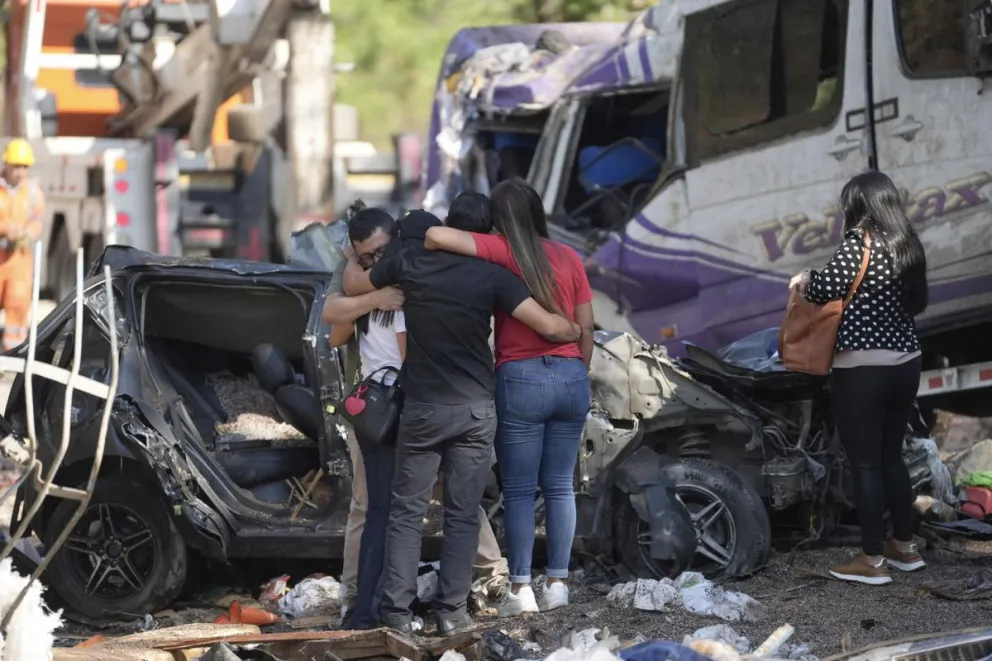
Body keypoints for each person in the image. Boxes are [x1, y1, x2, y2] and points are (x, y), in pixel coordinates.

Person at [344, 198, 580, 636]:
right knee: (462, 512)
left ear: (450, 226)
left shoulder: (410, 265)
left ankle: (396, 614)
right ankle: (452, 612)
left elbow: (356, 284)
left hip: (424, 409)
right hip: (475, 410)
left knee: (406, 513)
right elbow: (548, 326)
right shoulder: (494, 276)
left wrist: (351, 259)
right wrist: (575, 331)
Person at [424, 178, 594, 615]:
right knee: (560, 487)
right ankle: (558, 583)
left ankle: (521, 590)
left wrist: (484, 237)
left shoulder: (501, 250)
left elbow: (436, 235)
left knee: (519, 491)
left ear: (498, 220)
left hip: (519, 378)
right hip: (572, 375)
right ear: (538, 212)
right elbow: (587, 327)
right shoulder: (570, 256)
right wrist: (578, 370)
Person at [790, 171, 928, 586]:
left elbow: (823, 289)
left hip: (864, 367)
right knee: (891, 458)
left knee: (864, 463)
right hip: (907, 362)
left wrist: (804, 279)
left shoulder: (859, 244)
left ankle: (871, 561)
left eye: (849, 204)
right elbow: (918, 301)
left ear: (861, 207)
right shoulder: (908, 245)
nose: (845, 211)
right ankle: (903, 548)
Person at [321, 206, 404, 621]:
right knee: (378, 509)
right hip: (379, 410)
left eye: (379, 252)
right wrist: (372, 297)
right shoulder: (369, 283)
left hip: (385, 410)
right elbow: (333, 327)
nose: (375, 262)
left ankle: (368, 604)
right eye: (365, 256)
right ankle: (365, 600)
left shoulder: (403, 272)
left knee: (386, 511)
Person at [0, 138, 45, 350]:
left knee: (17, 306)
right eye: (16, 166)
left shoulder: (34, 193)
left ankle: (12, 356)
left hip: (19, 259)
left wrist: (27, 232)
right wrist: (6, 229)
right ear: (5, 164)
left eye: (24, 167)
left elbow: (37, 220)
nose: (20, 172)